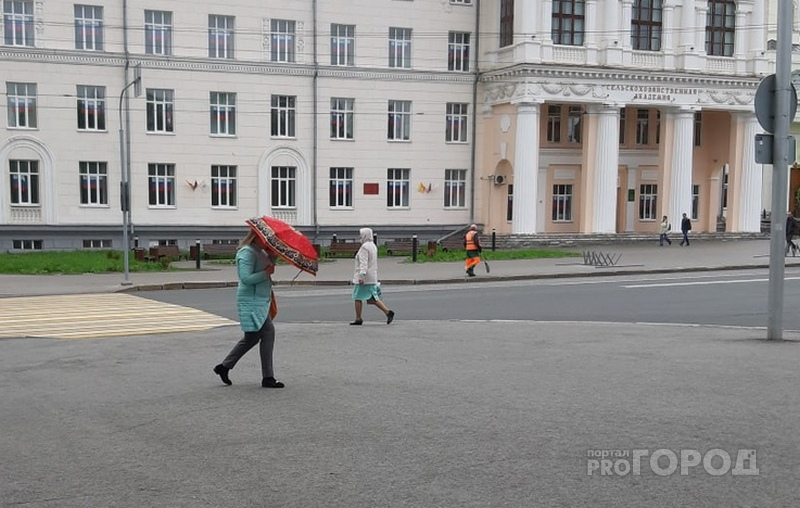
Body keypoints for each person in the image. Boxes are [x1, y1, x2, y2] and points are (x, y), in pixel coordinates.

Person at [213, 231, 284, 388]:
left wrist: (273, 256)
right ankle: (268, 377)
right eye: (266, 238)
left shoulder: (259, 251)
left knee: (251, 338)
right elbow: (245, 278)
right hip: (251, 301)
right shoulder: (246, 252)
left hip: (259, 299)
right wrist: (265, 273)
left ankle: (224, 367)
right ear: (256, 236)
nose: (268, 241)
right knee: (268, 332)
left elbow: (266, 266)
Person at [351, 227, 395, 325]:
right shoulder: (373, 246)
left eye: (361, 235)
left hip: (365, 277)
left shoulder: (364, 247)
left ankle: (358, 318)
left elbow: (364, 263)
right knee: (372, 298)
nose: (360, 237)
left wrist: (361, 276)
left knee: (357, 297)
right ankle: (388, 312)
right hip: (372, 276)